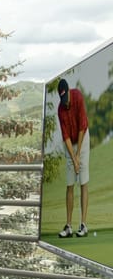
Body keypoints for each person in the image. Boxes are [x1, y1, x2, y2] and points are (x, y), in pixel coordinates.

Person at [56, 78, 89, 238]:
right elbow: (66, 137)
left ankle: (83, 225)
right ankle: (68, 226)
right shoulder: (60, 109)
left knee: (83, 181)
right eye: (62, 100)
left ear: (69, 91)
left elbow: (82, 126)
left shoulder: (78, 97)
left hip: (83, 138)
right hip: (70, 144)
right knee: (70, 184)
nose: (66, 103)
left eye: (66, 99)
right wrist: (73, 158)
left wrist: (78, 156)